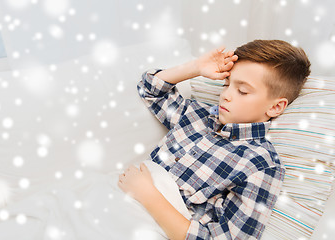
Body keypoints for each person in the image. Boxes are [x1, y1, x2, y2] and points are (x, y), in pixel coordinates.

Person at [118, 39, 311, 240]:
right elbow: (150, 88)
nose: (226, 95)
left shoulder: (261, 164)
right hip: (118, 199)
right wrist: (195, 68)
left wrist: (147, 194)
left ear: (275, 107)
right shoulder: (196, 115)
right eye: (227, 84)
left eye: (242, 91)